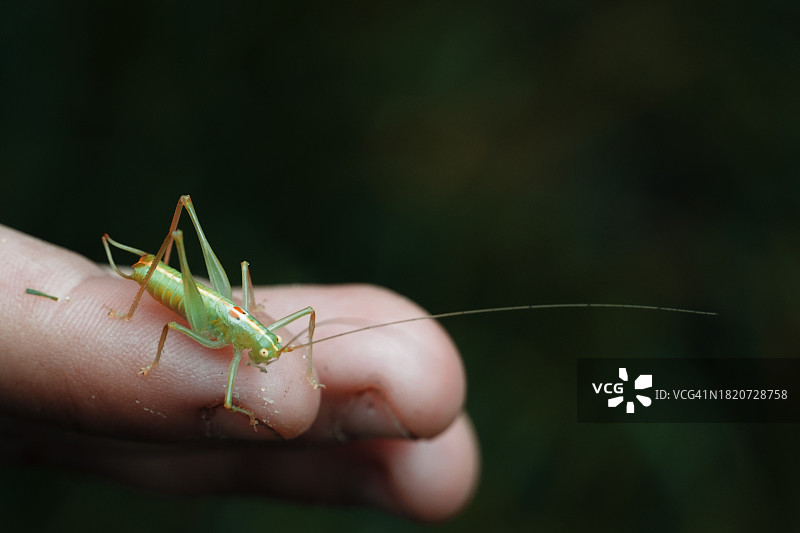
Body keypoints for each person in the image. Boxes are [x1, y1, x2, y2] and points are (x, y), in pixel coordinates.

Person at [0, 223, 478, 522]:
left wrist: (304, 368)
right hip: (192, 302)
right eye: (268, 348)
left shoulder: (259, 340)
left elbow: (306, 319)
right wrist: (157, 365)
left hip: (222, 309)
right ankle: (139, 294)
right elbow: (178, 341)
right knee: (188, 293)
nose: (269, 353)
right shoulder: (228, 346)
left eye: (270, 348)